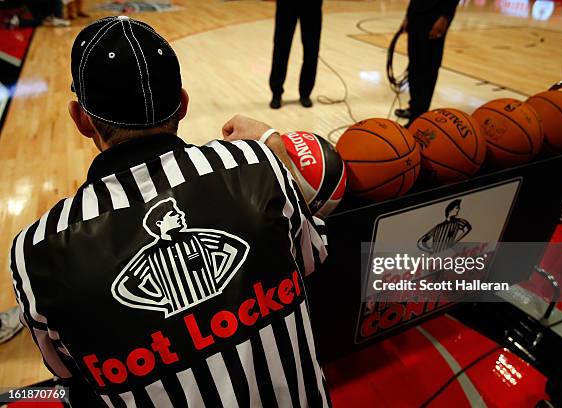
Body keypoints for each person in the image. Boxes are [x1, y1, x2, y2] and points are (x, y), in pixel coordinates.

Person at [10, 16, 331, 407]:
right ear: (182, 104)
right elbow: (312, 258)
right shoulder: (258, 164)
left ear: (81, 119)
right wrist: (275, 152)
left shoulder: (35, 252)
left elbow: (67, 371)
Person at [395, 0, 460, 123]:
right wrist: (408, 16)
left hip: (434, 17)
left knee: (428, 67)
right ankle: (414, 108)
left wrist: (445, 17)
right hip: (416, 15)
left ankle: (419, 115)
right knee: (414, 65)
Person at [269, 0, 323, 109]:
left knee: (311, 50)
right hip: (287, 3)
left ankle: (305, 93)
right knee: (281, 48)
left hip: (312, 4)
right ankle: (276, 93)